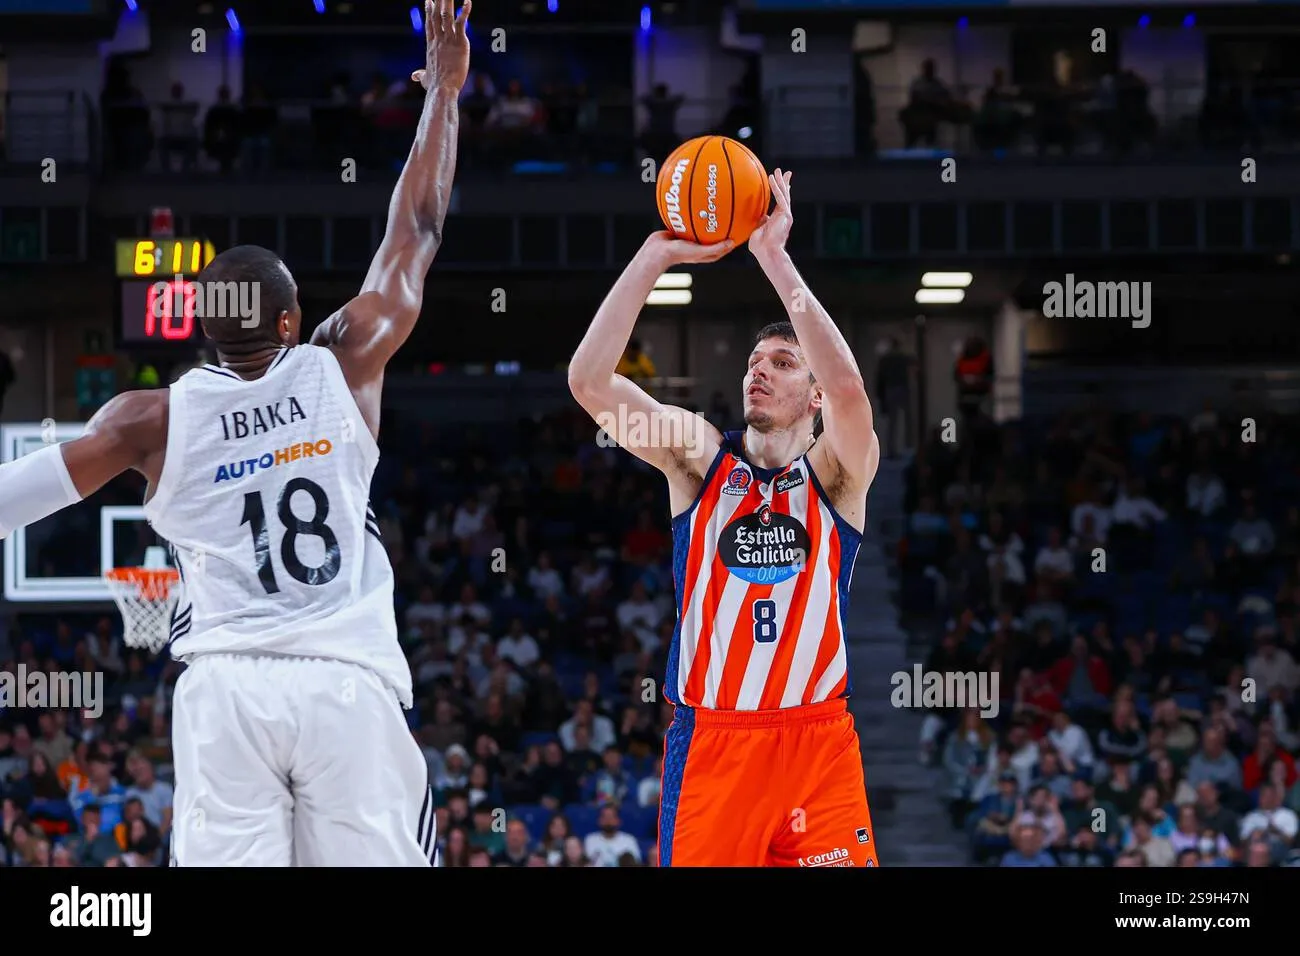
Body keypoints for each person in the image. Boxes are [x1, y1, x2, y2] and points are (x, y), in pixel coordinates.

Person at [0, 0, 472, 866]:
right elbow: (418, 230)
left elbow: (14, 497)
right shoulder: (345, 358)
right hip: (346, 685)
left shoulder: (151, 418)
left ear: (203, 330)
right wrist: (443, 94)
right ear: (294, 321)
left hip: (224, 691)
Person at [568, 169, 881, 866]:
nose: (758, 372)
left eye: (781, 362)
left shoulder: (837, 475)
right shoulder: (698, 459)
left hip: (819, 742)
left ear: (814, 394)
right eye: (752, 362)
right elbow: (589, 382)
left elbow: (853, 389)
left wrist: (774, 257)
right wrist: (654, 256)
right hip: (716, 742)